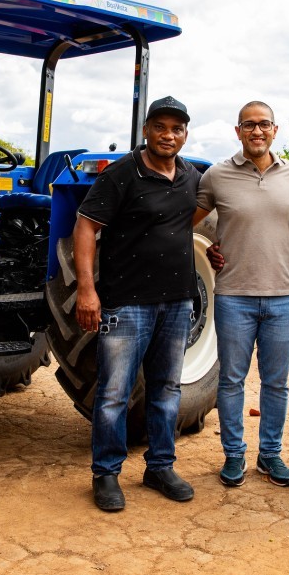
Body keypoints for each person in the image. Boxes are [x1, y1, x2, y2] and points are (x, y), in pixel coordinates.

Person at [74, 96, 202, 512]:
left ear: (185, 134)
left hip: (178, 301)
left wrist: (209, 252)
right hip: (127, 303)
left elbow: (185, 223)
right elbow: (85, 225)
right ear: (146, 129)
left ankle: (159, 466)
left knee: (166, 389)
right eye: (161, 127)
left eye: (177, 128)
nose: (169, 135)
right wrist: (87, 290)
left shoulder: (189, 175)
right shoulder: (123, 174)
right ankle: (106, 474)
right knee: (114, 392)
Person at [193, 101, 289, 488]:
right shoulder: (216, 176)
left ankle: (270, 455)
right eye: (249, 125)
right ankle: (234, 455)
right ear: (237, 131)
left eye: (264, 125)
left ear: (275, 130)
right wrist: (206, 247)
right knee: (231, 381)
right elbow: (187, 223)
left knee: (276, 383)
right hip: (234, 296)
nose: (257, 131)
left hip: (283, 297)